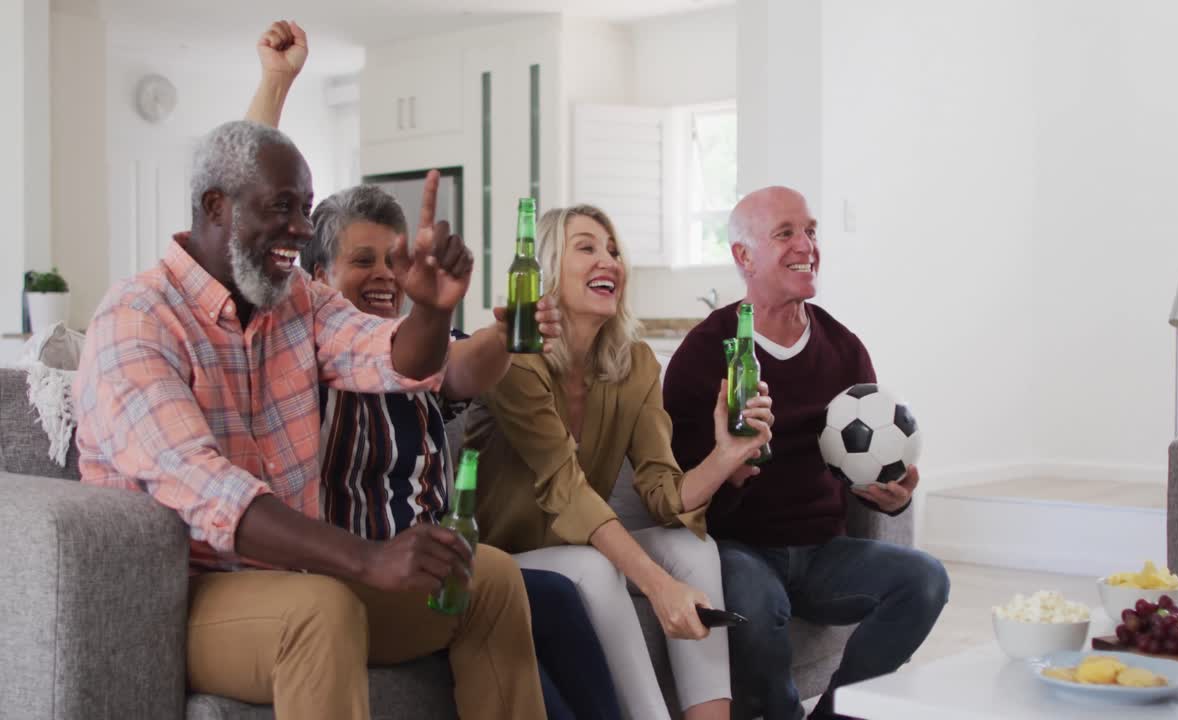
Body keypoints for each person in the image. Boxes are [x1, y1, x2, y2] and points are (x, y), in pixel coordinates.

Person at [73, 112, 546, 719]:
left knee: (489, 578)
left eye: (306, 208)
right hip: (186, 598)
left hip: (298, 579)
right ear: (216, 206)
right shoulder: (136, 319)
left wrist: (428, 311)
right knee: (321, 609)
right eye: (283, 208)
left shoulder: (297, 300)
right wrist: (370, 557)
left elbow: (393, 360)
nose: (300, 229)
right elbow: (207, 488)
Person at [247, 21, 623, 720]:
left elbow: (459, 369)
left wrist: (512, 333)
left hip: (428, 577)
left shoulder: (410, 344)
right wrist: (276, 84)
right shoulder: (303, 342)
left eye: (396, 259)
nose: (387, 277)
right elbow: (250, 215)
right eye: (365, 261)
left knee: (555, 605)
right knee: (524, 592)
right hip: (343, 582)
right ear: (317, 274)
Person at [464, 203, 774, 720]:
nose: (608, 260)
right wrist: (658, 587)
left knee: (691, 547)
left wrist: (725, 456)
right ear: (545, 270)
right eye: (586, 248)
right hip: (505, 554)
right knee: (591, 565)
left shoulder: (636, 364)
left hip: (579, 542)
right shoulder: (514, 360)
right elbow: (566, 489)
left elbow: (659, 487)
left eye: (613, 250)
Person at [662, 186, 951, 720]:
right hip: (739, 548)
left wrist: (889, 497)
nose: (807, 246)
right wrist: (731, 472)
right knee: (753, 599)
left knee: (926, 578)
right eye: (786, 233)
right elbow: (676, 491)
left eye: (812, 231)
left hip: (823, 551)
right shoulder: (705, 352)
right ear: (743, 257)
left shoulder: (844, 347)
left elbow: (862, 467)